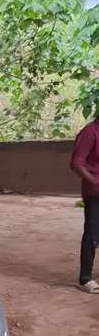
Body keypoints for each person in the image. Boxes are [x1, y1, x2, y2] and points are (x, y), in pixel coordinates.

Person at [71, 107, 99, 293]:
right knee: (92, 233)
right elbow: (76, 163)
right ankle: (85, 279)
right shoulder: (90, 132)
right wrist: (94, 181)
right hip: (95, 193)